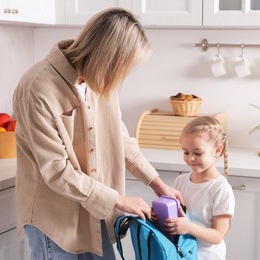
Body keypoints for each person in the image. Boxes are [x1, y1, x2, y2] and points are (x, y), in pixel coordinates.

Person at [12, 8, 182, 260]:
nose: (122, 76)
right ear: (107, 59)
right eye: (123, 68)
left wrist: (156, 183)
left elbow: (119, 138)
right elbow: (57, 171)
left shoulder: (99, 80)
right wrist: (119, 200)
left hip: (93, 210)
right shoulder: (38, 88)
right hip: (54, 219)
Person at [162, 116, 235, 260]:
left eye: (198, 153)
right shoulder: (181, 181)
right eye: (186, 152)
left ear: (217, 150)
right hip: (181, 254)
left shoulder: (220, 189)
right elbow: (174, 216)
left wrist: (188, 227)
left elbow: (217, 236)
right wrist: (159, 217)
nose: (191, 158)